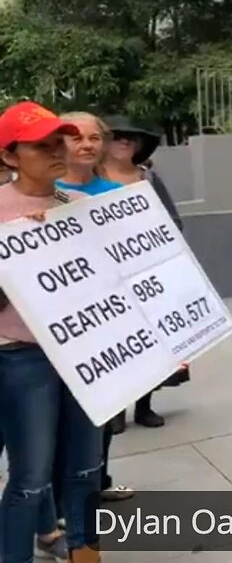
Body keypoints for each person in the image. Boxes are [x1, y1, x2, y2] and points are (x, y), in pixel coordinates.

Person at [0, 101, 105, 563]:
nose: (56, 152)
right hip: (23, 359)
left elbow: (120, 282)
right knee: (31, 477)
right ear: (9, 156)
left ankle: (82, 547)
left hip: (85, 354)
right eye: (40, 146)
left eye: (57, 142)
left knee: (86, 466)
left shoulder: (83, 207)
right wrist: (26, 254)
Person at [55, 113, 137, 508]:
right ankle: (55, 507)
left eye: (93, 138)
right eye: (75, 138)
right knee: (58, 425)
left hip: (109, 324)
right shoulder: (41, 195)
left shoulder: (117, 195)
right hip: (56, 332)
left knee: (102, 413)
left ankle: (97, 481)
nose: (86, 145)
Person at [98, 114, 188, 428]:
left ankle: (145, 405)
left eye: (130, 138)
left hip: (147, 273)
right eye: (117, 136)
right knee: (116, 342)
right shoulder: (90, 178)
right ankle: (117, 410)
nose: (124, 142)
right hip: (103, 278)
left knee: (152, 341)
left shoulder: (147, 178)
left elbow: (173, 220)